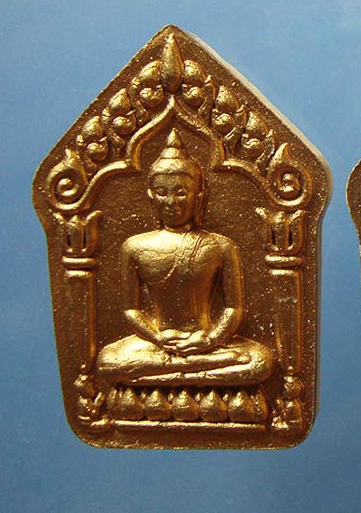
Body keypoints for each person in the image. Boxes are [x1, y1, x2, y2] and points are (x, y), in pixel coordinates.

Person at [97, 129, 274, 386]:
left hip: (205, 341)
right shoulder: (134, 246)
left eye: (181, 192)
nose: (171, 201)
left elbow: (234, 309)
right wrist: (157, 337)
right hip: (157, 343)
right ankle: (197, 374)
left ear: (199, 197)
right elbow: (131, 310)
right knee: (107, 361)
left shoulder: (220, 245)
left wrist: (210, 339)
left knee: (261, 361)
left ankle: (175, 373)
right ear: (151, 197)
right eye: (162, 192)